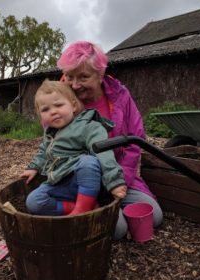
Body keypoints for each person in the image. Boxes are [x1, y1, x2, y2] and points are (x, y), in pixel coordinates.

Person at [57, 41, 163, 239]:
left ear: (100, 75)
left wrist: (119, 180)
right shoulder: (59, 100)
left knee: (154, 217)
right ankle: (83, 208)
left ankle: (108, 208)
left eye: (84, 77)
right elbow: (56, 145)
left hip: (119, 176)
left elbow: (134, 141)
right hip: (81, 181)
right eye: (69, 76)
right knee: (118, 229)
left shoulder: (120, 96)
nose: (75, 85)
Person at [21, 80, 126, 216]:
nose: (53, 112)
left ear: (74, 106)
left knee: (88, 161)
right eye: (45, 109)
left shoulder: (88, 126)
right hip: (59, 182)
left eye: (58, 105)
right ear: (40, 114)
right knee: (33, 202)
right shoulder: (51, 132)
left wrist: (114, 181)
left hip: (84, 182)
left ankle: (82, 209)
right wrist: (34, 167)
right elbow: (43, 152)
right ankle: (80, 208)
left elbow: (103, 152)